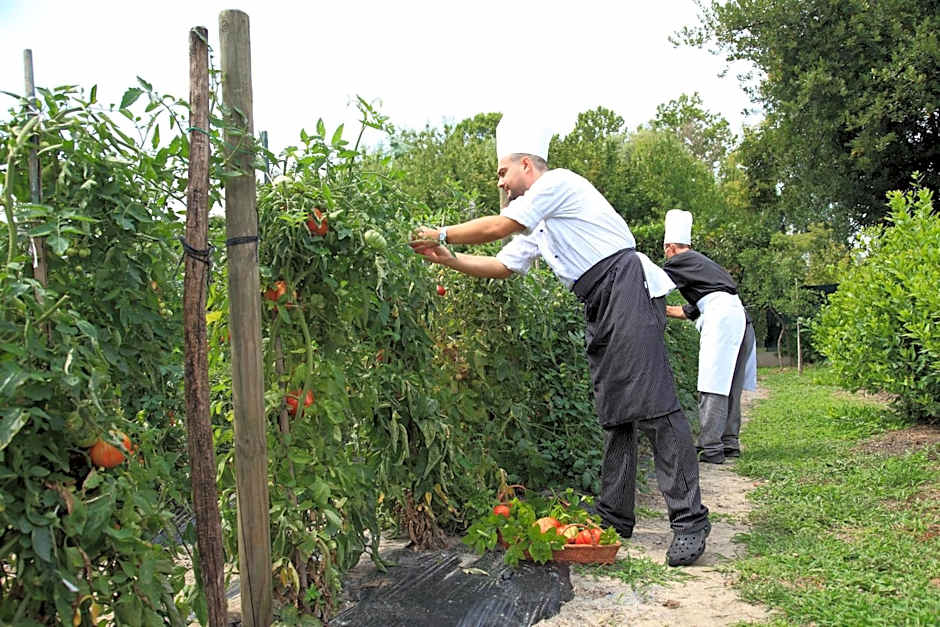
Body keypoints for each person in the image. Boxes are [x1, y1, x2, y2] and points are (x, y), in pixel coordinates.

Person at [409, 114, 711, 567]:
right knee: (615, 412)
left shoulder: (558, 183)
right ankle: (615, 515)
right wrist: (449, 259)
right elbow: (503, 266)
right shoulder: (540, 222)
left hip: (626, 285)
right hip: (599, 300)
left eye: (503, 172)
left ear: (526, 165)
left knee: (654, 404)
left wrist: (441, 233)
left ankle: (689, 521)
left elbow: (498, 227)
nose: (501, 182)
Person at [661, 209, 758, 464]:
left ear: (670, 247)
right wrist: (664, 310)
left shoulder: (677, 261)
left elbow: (656, 284)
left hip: (722, 320)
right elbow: (692, 309)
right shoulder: (705, 267)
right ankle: (729, 443)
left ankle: (711, 447)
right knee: (731, 384)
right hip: (741, 318)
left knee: (712, 382)